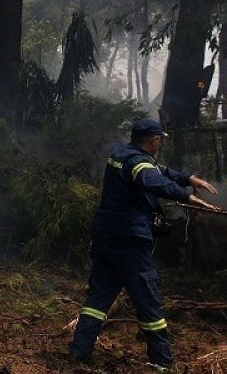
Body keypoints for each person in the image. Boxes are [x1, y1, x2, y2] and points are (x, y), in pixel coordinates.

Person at [68, 117, 221, 371]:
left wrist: (188, 178)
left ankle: (79, 351)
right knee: (148, 300)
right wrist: (190, 198)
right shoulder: (139, 164)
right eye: (159, 139)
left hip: (106, 238)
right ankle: (162, 361)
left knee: (98, 298)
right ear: (154, 140)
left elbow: (158, 170)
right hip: (129, 242)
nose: (159, 142)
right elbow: (154, 180)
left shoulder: (121, 154)